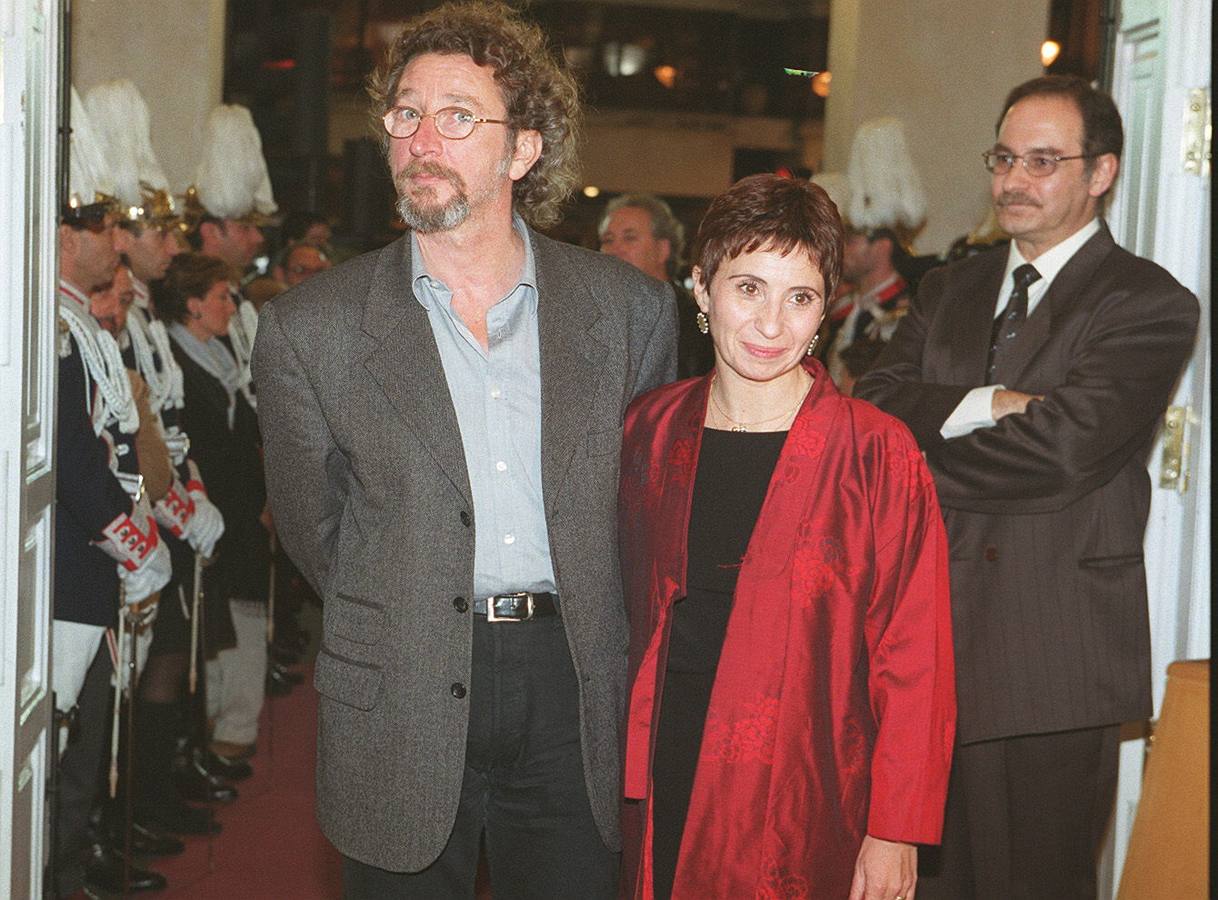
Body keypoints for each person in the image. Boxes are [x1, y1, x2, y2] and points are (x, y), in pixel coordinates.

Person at [252, 2, 677, 895]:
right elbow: (313, 529)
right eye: (406, 113)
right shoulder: (311, 329)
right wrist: (409, 582)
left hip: (574, 683)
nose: (421, 139)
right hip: (398, 681)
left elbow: (646, 512)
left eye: (457, 116)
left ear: (523, 150)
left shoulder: (628, 314)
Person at [855, 75, 1200, 898]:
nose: (1013, 180)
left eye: (1044, 161)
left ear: (1101, 173)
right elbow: (870, 409)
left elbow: (1062, 453)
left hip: (1054, 651)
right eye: (1005, 158)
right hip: (922, 641)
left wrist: (915, 454)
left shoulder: (1148, 302)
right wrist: (987, 404)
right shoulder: (948, 288)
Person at [618, 173, 955, 900]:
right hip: (664, 759)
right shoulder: (649, 429)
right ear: (701, 289)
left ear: (825, 310)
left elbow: (915, 656)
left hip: (810, 781)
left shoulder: (876, 452)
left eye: (799, 297)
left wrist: (895, 829)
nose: (772, 325)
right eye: (748, 289)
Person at [51, 88, 172, 898]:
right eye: (104, 228)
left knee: (87, 744)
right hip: (63, 570)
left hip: (90, 565)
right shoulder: (55, 328)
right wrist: (131, 544)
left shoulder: (80, 324)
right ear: (66, 238)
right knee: (61, 749)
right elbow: (70, 462)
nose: (118, 242)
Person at [157, 254, 272, 776]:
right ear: (194, 305)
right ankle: (210, 733)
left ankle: (234, 726)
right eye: (223, 296)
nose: (232, 305)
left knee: (244, 612)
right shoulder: (174, 361)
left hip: (241, 508)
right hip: (203, 512)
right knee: (210, 624)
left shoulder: (220, 351)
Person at [826, 118, 926, 391]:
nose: (842, 250)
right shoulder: (857, 310)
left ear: (882, 246)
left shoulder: (901, 314)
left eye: (852, 240)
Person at [599, 193, 713, 379]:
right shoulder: (595, 317)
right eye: (608, 240)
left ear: (662, 250)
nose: (615, 249)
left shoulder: (695, 321)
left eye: (630, 238)